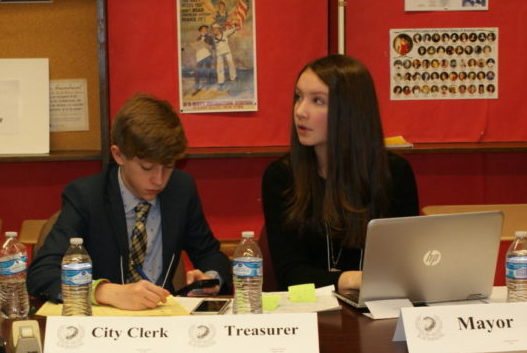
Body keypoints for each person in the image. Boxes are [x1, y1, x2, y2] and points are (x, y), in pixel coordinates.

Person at [27, 93, 231, 310]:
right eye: (147, 167)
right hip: (104, 325)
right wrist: (104, 291)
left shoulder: (180, 189)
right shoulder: (86, 196)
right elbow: (42, 274)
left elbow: (210, 253)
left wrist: (210, 279)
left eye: (169, 166)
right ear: (118, 155)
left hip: (164, 320)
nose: (159, 180)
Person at [261, 54, 419, 292]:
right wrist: (352, 279)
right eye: (299, 97)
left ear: (350, 111)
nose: (300, 111)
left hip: (377, 310)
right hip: (310, 313)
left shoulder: (394, 173)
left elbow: (404, 266)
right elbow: (291, 277)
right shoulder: (281, 176)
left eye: (318, 101)